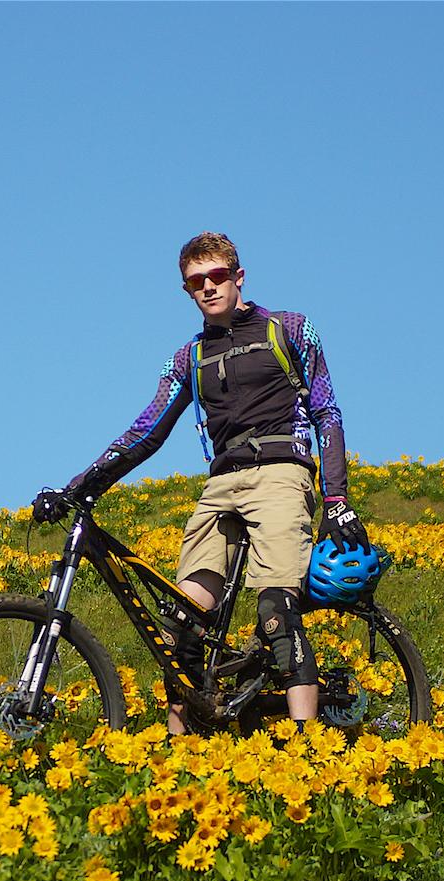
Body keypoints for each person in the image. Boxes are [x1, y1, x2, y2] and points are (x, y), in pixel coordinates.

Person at [33, 232, 370, 734]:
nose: (208, 288)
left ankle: (308, 749)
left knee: (277, 611)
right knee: (183, 626)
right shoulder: (188, 358)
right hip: (221, 486)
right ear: (188, 290)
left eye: (216, 276)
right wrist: (79, 485)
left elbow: (327, 412)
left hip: (282, 473)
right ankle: (179, 753)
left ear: (238, 277)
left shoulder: (291, 330)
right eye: (195, 282)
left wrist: (336, 498)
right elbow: (147, 430)